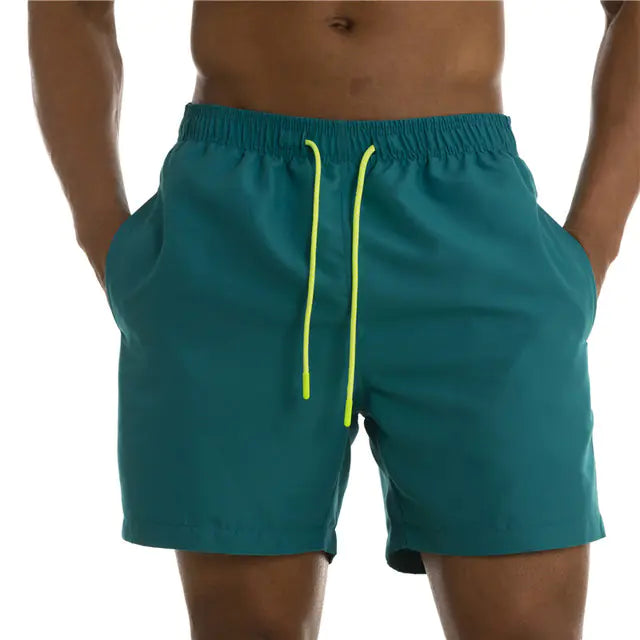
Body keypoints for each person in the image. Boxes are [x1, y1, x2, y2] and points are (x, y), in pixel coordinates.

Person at [28, 2, 639, 638]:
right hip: (235, 230)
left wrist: (595, 242)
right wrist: (100, 230)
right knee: (247, 628)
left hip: (470, 230)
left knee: (525, 628)